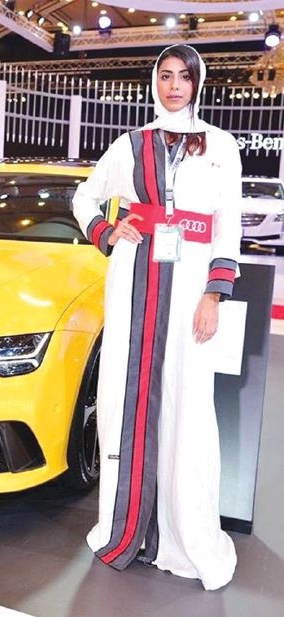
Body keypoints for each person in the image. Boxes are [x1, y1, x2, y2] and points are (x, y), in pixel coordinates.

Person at [72, 44, 241, 591]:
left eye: (183, 77)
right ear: (154, 81)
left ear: (197, 84)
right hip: (132, 281)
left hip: (190, 288)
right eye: (165, 76)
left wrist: (214, 293)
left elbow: (228, 223)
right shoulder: (129, 144)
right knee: (127, 396)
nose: (173, 86)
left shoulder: (221, 145)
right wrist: (107, 230)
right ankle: (128, 527)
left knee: (187, 405)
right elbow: (83, 198)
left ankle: (181, 533)